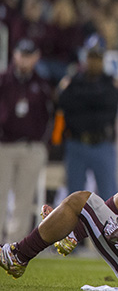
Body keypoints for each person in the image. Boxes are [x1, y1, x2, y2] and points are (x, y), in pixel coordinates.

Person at [0, 39, 53, 242]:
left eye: (29, 56)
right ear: (15, 55)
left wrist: (43, 143)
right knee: (0, 195)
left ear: (36, 57)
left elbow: (50, 115)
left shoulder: (41, 84)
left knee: (24, 198)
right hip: (4, 145)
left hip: (31, 147)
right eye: (22, 55)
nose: (24, 60)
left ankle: (14, 246)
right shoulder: (4, 80)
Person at [58, 35, 118, 201]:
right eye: (91, 57)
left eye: (98, 58)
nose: (94, 62)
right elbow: (65, 105)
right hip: (77, 143)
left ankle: (111, 228)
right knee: (73, 199)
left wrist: (84, 101)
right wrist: (94, 101)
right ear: (85, 57)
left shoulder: (109, 83)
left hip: (102, 143)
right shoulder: (73, 81)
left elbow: (109, 110)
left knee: (110, 198)